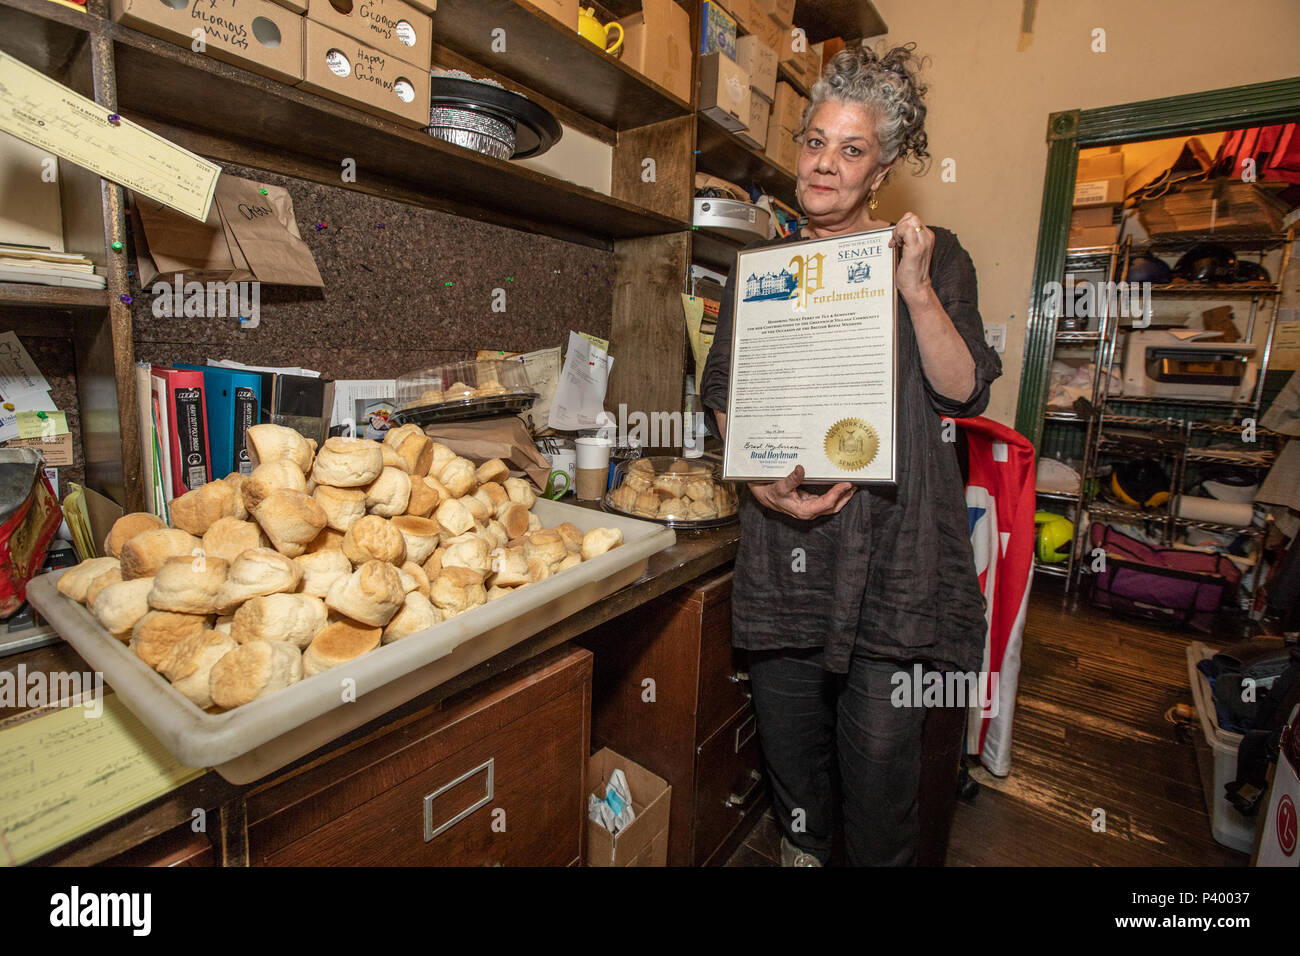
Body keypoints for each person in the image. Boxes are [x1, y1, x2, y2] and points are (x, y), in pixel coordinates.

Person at [700, 43, 1002, 866]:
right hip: (785, 556)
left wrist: (913, 288)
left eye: (852, 148)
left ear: (882, 169)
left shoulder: (936, 260)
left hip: (892, 563)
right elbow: (727, 388)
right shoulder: (761, 269)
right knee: (793, 765)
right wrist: (756, 476)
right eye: (813, 141)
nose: (824, 163)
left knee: (878, 778)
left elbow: (964, 388)